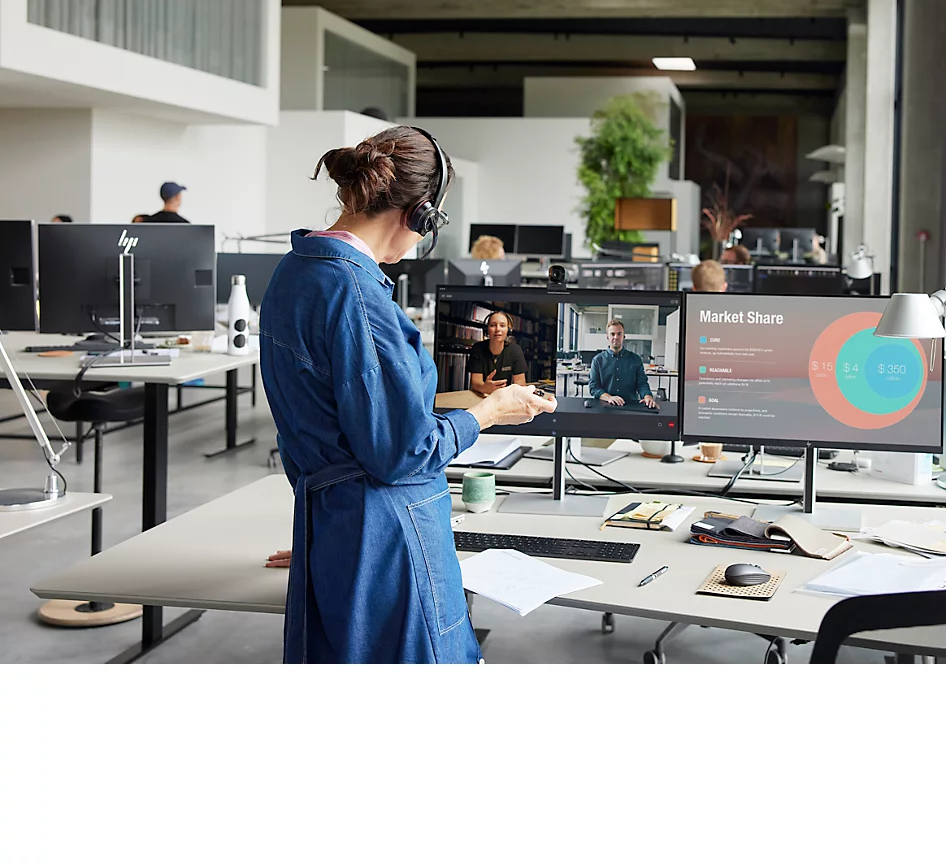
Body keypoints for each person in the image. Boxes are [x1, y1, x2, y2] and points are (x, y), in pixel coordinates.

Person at [258, 126, 555, 664]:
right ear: (421, 216)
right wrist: (487, 413)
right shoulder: (358, 296)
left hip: (337, 526)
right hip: (389, 536)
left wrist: (325, 523)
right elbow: (402, 453)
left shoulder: (295, 272)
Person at [589, 319, 658, 410]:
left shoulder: (635, 359)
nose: (616, 337)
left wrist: (647, 396)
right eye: (612, 334)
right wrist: (609, 397)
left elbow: (642, 383)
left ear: (624, 336)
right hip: (604, 407)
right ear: (607, 337)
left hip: (630, 407)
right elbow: (593, 387)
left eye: (619, 334)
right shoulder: (597, 360)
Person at [468, 310, 527, 395]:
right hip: (482, 396)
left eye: (502, 325)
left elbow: (520, 383)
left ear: (508, 330)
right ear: (487, 329)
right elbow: (476, 382)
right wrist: (484, 387)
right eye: (493, 325)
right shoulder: (478, 348)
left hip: (506, 397)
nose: (497, 329)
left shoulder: (515, 350)